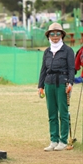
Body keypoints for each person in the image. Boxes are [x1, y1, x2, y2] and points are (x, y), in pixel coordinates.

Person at [38, 22, 75, 151]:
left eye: (58, 34)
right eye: (52, 34)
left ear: (62, 35)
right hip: (49, 83)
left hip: (62, 84)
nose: (55, 36)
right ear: (48, 36)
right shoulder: (47, 51)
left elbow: (72, 68)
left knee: (63, 114)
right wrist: (40, 86)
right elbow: (43, 69)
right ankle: (53, 140)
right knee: (52, 113)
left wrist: (70, 83)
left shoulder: (68, 51)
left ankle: (63, 141)